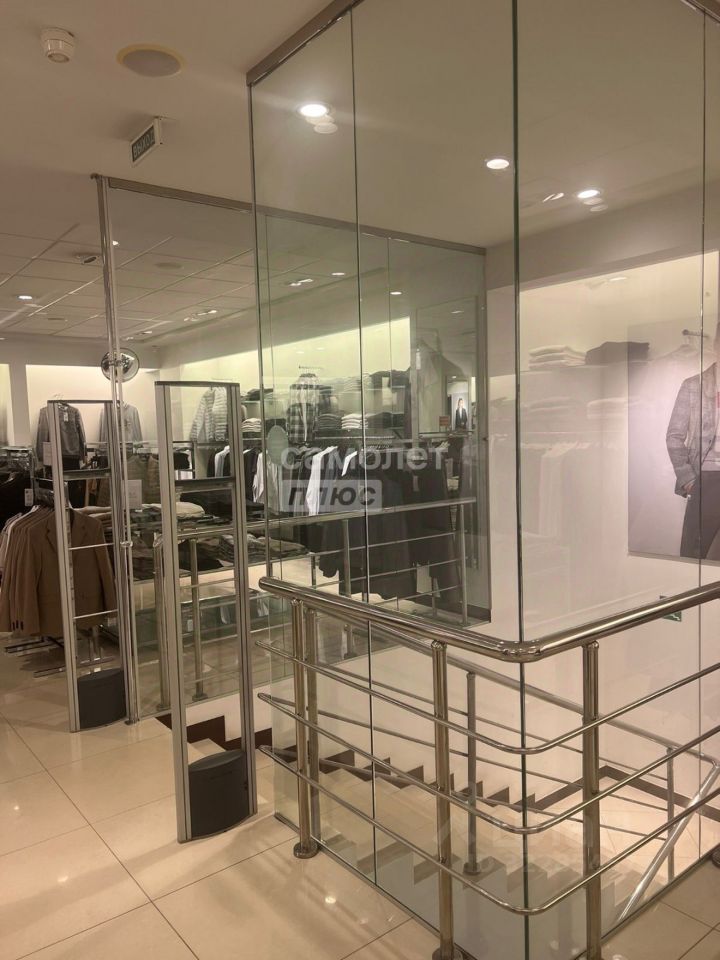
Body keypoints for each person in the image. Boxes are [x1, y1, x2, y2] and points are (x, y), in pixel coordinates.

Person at [667, 325, 720, 558]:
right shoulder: (693, 386)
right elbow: (674, 436)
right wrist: (689, 480)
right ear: (716, 345)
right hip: (706, 479)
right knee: (695, 553)